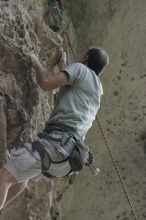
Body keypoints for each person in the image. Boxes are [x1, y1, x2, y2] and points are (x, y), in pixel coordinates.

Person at [0, 47, 109, 211]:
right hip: (68, 159)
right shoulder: (96, 90)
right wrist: (62, 63)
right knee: (21, 178)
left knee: (4, 177)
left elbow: (46, 82)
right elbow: (69, 79)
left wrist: (36, 62)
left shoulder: (80, 69)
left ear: (85, 58)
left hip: (57, 144)